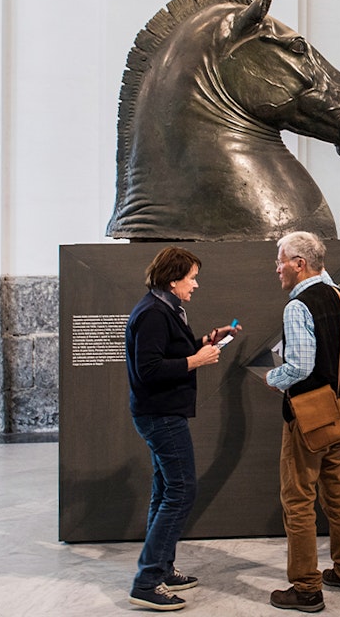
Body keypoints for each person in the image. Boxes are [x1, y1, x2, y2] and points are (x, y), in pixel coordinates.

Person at [125, 247, 239, 611]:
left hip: (162, 412)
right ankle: (147, 581)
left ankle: (162, 567)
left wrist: (203, 343)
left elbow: (166, 355)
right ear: (173, 279)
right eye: (191, 277)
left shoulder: (164, 308)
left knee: (166, 489)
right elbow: (151, 369)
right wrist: (195, 360)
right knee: (181, 489)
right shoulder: (154, 313)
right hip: (160, 414)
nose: (196, 283)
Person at [266, 231, 340, 612]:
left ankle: (306, 587)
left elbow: (301, 366)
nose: (278, 268)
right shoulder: (339, 295)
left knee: (298, 498)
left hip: (311, 411)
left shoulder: (297, 305)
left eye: (281, 261)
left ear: (299, 264)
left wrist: (273, 379)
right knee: (337, 489)